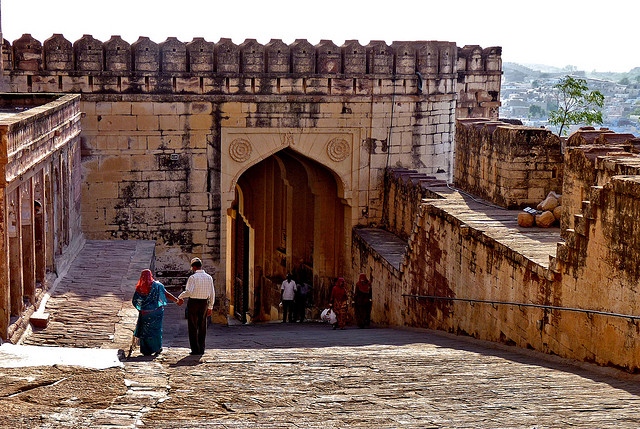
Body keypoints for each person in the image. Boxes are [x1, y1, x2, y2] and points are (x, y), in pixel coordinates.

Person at [132, 269, 181, 356]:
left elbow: (135, 300)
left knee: (145, 331)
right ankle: (157, 348)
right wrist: (176, 300)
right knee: (156, 330)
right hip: (157, 312)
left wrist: (140, 308)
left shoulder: (140, 287)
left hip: (145, 313)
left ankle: (146, 350)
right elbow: (166, 294)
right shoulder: (158, 285)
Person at [178, 258, 215, 355]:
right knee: (202, 325)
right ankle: (202, 348)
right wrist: (210, 306)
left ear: (194, 267)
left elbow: (189, 292)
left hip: (194, 303)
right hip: (204, 303)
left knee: (193, 326)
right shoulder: (209, 277)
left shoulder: (193, 278)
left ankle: (195, 349)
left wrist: (180, 297)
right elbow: (212, 293)